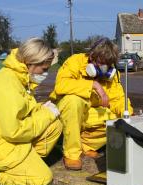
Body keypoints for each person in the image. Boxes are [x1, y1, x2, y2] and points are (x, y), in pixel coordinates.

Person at [0, 38, 62, 185]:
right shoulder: (7, 84)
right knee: (42, 179)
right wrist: (46, 114)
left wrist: (42, 110)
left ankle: (25, 164)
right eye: (44, 69)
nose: (46, 74)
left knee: (54, 125)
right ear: (30, 63)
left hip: (0, 135)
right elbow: (13, 132)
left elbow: (22, 110)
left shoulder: (18, 76)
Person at [49, 38, 133, 170]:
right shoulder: (75, 61)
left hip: (89, 113)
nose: (104, 68)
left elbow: (118, 99)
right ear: (92, 57)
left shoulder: (112, 75)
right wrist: (93, 85)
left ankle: (86, 145)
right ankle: (72, 154)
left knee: (118, 120)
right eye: (101, 62)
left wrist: (128, 114)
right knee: (73, 101)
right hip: (66, 111)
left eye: (108, 64)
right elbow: (61, 86)